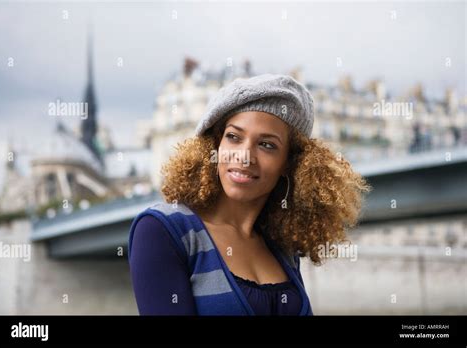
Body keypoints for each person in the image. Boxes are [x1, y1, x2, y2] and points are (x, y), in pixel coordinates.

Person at [128, 74, 371, 315]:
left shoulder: (281, 247)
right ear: (215, 145)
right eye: (233, 137)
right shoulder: (163, 230)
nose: (244, 156)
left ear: (290, 163)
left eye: (266, 145)